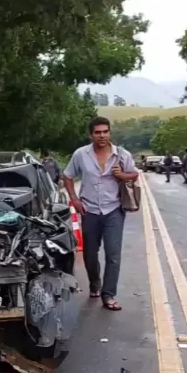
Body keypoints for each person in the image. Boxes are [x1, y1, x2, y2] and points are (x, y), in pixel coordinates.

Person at [63, 116, 138, 312]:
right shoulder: (81, 154)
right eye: (98, 132)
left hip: (114, 210)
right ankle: (95, 283)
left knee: (113, 254)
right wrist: (74, 199)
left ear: (110, 133)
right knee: (90, 254)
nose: (102, 136)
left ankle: (109, 294)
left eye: (105, 132)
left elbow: (134, 174)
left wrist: (122, 175)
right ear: (91, 135)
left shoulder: (122, 155)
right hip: (89, 210)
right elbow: (67, 176)